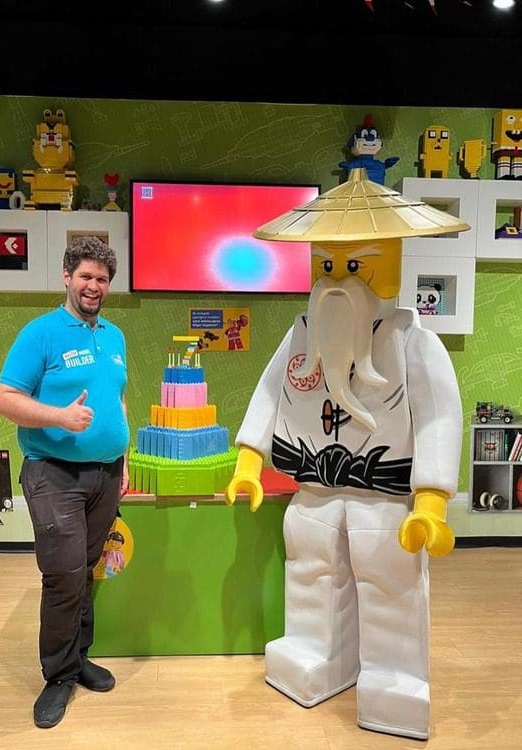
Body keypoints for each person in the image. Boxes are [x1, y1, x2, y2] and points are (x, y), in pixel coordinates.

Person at [225, 171, 466, 740]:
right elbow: (268, 393)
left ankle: (393, 677)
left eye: (355, 267)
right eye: (327, 267)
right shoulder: (304, 334)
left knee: (390, 585)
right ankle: (315, 651)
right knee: (311, 571)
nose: (337, 282)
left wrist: (431, 500)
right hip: (314, 490)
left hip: (386, 500)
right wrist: (248, 459)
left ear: (389, 265)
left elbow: (438, 418)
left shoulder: (414, 343)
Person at [0, 235, 129, 729]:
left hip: (106, 473)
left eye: (102, 279)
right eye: (86, 276)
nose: (94, 286)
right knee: (64, 573)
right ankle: (57, 676)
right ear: (67, 278)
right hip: (54, 474)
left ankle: (78, 659)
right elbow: (6, 398)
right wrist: (57, 416)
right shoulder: (41, 333)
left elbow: (118, 399)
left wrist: (125, 454)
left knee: (88, 567)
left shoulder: (113, 336)